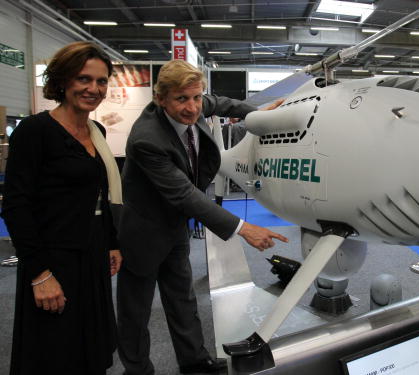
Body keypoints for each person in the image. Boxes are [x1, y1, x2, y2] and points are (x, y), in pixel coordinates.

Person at [117, 59, 288, 375]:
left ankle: (195, 363)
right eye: (182, 99)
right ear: (161, 99)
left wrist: (258, 113)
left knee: (182, 298)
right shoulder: (147, 139)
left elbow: (221, 103)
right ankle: (137, 369)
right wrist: (243, 227)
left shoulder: (194, 101)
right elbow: (184, 194)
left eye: (196, 97)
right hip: (143, 232)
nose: (192, 107)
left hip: (175, 226)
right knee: (135, 311)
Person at [1, 41, 123, 374]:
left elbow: (101, 191)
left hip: (92, 252)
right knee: (55, 352)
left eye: (100, 81)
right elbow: (16, 204)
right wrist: (40, 274)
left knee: (91, 349)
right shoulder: (35, 131)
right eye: (84, 79)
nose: (93, 89)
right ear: (64, 80)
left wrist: (111, 242)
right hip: (53, 258)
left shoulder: (96, 130)